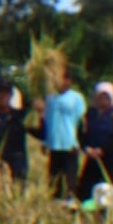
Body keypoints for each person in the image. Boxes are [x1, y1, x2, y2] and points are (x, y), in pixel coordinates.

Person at [76, 82, 113, 202]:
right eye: (100, 96)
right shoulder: (89, 114)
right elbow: (81, 133)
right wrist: (86, 148)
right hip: (93, 158)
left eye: (106, 97)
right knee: (86, 190)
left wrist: (103, 150)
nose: (102, 100)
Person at [38, 70, 87, 199]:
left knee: (70, 176)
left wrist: (80, 142)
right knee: (54, 176)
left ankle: (70, 199)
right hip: (54, 143)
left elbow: (81, 122)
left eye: (66, 79)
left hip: (70, 144)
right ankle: (55, 200)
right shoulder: (50, 98)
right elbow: (47, 121)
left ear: (70, 81)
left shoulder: (76, 98)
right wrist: (44, 141)